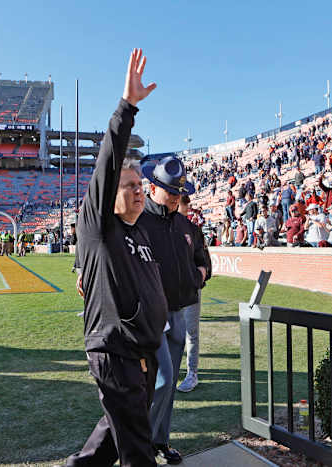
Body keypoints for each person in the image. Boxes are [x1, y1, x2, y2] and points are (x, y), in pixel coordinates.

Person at [67, 48, 168, 467]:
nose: (139, 189)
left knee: (118, 431)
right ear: (108, 197)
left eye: (140, 184)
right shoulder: (99, 228)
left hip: (142, 350)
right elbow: (107, 165)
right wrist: (127, 108)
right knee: (138, 449)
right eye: (128, 186)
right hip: (115, 351)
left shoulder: (140, 229)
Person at [139, 152, 209, 464]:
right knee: (161, 381)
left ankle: (159, 441)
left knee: (166, 388)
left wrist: (198, 276)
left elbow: (203, 260)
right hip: (148, 317)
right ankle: (142, 442)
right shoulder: (137, 222)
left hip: (178, 312)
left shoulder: (186, 225)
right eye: (171, 192)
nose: (175, 198)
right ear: (152, 187)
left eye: (179, 193)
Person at [176, 195, 212, 394]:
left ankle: (192, 373)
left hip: (189, 290)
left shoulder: (193, 229)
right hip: (169, 290)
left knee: (191, 333)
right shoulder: (164, 226)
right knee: (169, 332)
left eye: (181, 202)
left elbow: (205, 262)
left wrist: (198, 277)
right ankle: (171, 372)